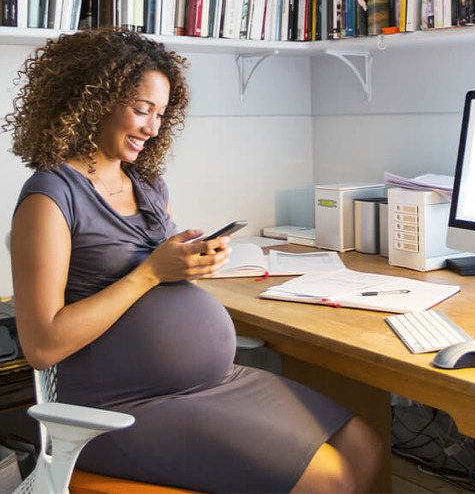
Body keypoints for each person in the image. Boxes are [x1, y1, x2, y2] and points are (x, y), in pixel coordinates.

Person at [5, 28, 383, 493]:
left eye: (161, 114)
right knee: (328, 480)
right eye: (142, 110)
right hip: (122, 409)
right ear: (93, 99)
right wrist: (150, 273)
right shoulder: (49, 198)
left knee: (363, 445)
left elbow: (161, 283)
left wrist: (192, 263)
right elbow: (42, 346)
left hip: (214, 384)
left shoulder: (146, 185)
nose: (153, 128)